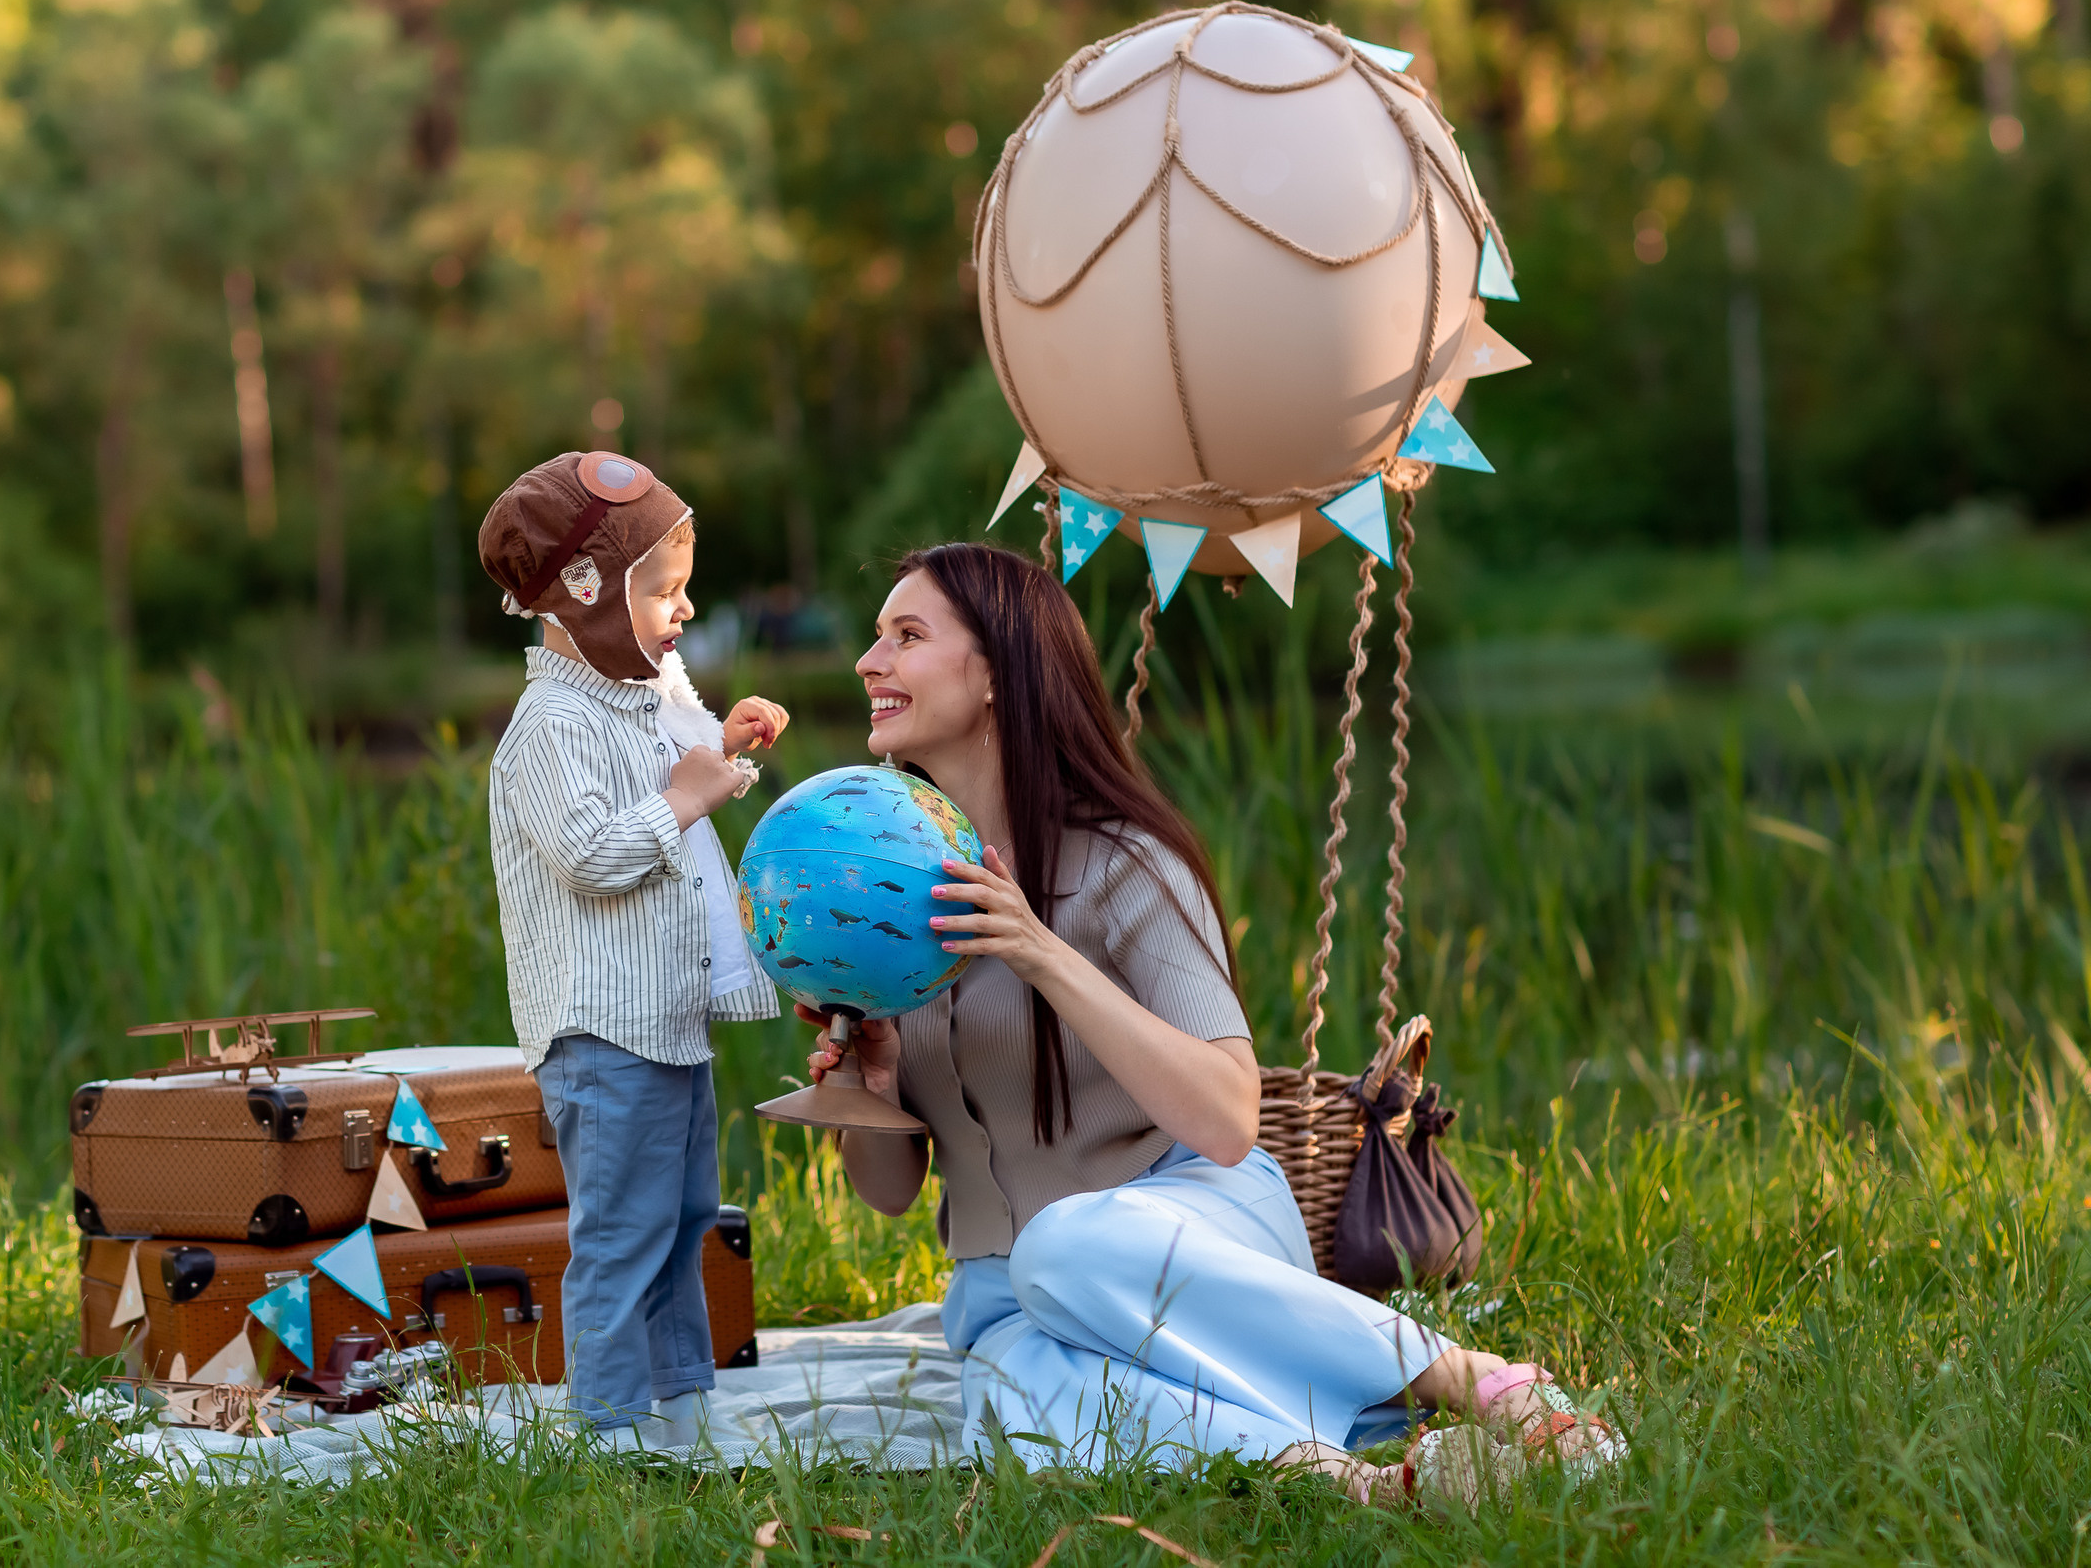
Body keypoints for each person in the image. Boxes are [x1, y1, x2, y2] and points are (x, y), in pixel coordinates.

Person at [805, 541, 1621, 1504]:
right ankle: (1355, 1485)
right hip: (1003, 1293)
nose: (869, 660)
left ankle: (1467, 1378)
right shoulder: (888, 901)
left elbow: (1229, 1119)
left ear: (996, 672)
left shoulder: (1125, 864)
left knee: (1060, 1252)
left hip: (1185, 1229)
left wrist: (1041, 953)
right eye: (875, 636)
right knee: (1023, 1378)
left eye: (906, 635)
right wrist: (865, 1085)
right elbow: (892, 1193)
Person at [478, 450, 789, 1449]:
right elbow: (590, 855)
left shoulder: (639, 698)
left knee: (686, 1214)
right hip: (603, 1030)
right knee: (621, 1232)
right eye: (664, 591)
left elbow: (681, 780)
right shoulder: (548, 726)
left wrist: (725, 751)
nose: (683, 611)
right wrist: (684, 795)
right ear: (584, 591)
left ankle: (684, 1397)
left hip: (668, 1018)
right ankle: (608, 1425)